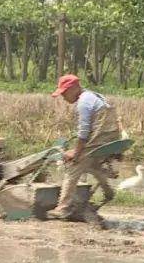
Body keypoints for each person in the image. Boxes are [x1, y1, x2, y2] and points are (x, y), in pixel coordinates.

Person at [47, 74, 119, 227]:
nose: (64, 98)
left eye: (65, 93)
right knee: (91, 164)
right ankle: (108, 192)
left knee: (74, 165)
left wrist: (75, 153)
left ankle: (63, 207)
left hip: (99, 140)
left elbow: (84, 133)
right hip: (109, 139)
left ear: (74, 88)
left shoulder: (83, 102)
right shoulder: (94, 96)